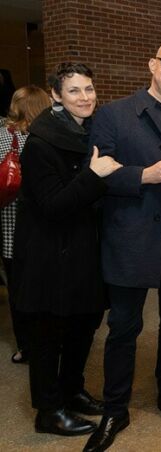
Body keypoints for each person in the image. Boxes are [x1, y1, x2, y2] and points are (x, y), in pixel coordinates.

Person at [84, 43, 161, 452]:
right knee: (124, 326)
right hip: (132, 236)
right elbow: (98, 174)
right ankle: (115, 408)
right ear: (152, 65)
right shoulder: (114, 114)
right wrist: (145, 175)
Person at [12, 62, 121, 436]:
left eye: (89, 89)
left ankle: (72, 391)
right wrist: (95, 176)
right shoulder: (41, 143)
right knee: (48, 336)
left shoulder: (88, 132)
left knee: (83, 326)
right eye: (74, 90)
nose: (85, 97)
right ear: (56, 95)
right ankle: (48, 411)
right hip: (49, 256)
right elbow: (54, 205)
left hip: (83, 253)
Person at [0, 85, 51, 364]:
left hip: (10, 233)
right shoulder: (52, 137)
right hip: (45, 232)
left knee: (18, 294)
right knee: (46, 291)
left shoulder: (2, 136)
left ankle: (26, 348)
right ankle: (51, 343)